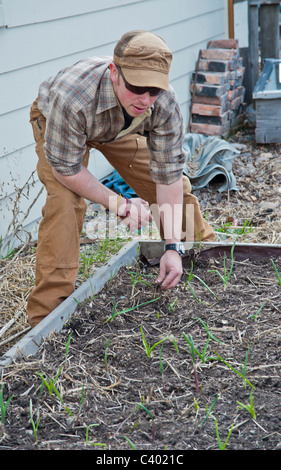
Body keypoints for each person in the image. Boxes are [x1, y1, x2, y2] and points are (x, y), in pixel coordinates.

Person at [27, 30, 215, 328]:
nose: (145, 99)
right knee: (66, 204)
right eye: (137, 87)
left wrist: (171, 247)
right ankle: (46, 318)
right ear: (114, 72)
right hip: (61, 125)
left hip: (119, 127)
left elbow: (167, 177)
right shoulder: (72, 97)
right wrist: (120, 204)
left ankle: (205, 257)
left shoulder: (162, 104)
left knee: (178, 187)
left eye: (153, 90)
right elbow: (67, 169)